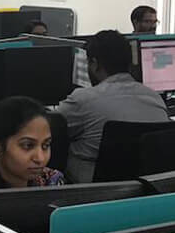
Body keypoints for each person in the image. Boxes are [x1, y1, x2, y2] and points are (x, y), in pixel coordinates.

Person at [57, 30, 168, 182]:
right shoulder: (155, 97)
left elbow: (47, 128)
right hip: (144, 186)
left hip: (91, 189)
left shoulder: (82, 100)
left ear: (94, 64)